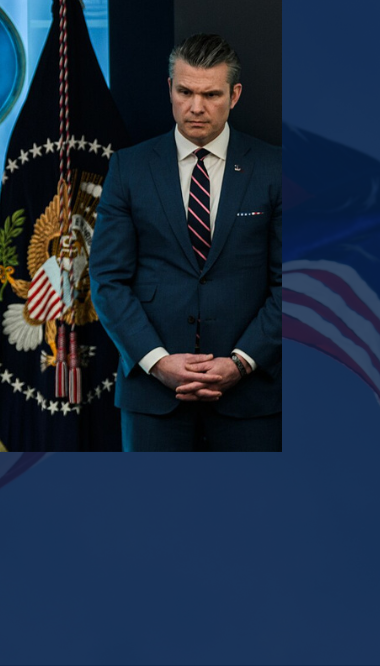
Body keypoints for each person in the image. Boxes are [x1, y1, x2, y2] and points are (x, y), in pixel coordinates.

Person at [91, 34, 281, 451]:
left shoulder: (274, 169)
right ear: (170, 89)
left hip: (251, 398)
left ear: (235, 95)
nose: (196, 107)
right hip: (154, 399)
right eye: (185, 92)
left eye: (211, 94)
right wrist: (157, 362)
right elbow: (107, 280)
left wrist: (241, 362)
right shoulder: (129, 168)